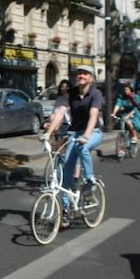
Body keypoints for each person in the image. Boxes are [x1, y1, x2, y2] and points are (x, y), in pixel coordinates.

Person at [40, 65, 103, 228]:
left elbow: (93, 115)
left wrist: (86, 135)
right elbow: (60, 113)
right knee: (67, 169)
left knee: (83, 148)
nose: (81, 76)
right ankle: (66, 211)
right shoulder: (71, 94)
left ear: (91, 78)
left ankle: (90, 181)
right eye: (79, 73)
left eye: (85, 74)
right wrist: (48, 133)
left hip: (93, 131)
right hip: (75, 133)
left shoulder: (96, 94)